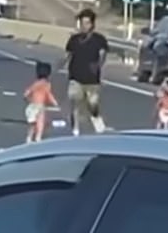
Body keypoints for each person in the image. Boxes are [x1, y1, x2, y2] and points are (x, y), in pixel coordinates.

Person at [62, 8, 109, 136]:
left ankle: (98, 123)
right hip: (75, 78)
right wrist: (57, 67)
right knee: (74, 104)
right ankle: (75, 131)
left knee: (92, 105)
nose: (84, 26)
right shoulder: (74, 39)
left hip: (92, 80)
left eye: (87, 23)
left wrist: (98, 66)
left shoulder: (99, 40)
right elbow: (67, 55)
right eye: (82, 23)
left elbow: (103, 54)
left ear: (92, 24)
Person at [24, 61, 58, 143]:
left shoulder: (36, 84)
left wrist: (27, 98)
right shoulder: (47, 84)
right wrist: (54, 102)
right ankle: (38, 137)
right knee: (40, 122)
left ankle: (29, 137)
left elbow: (27, 93)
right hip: (40, 106)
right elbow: (48, 94)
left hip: (33, 105)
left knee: (32, 123)